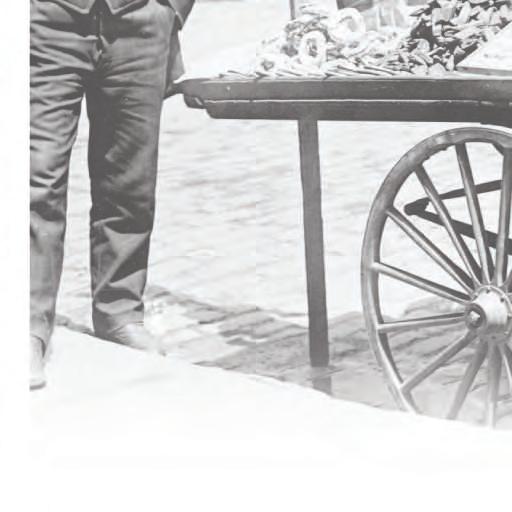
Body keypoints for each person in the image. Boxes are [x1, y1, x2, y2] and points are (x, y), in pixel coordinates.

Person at [30, 0, 195, 390]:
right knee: (35, 176)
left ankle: (119, 311)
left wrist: (171, 11)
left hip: (139, 23)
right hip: (47, 23)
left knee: (130, 180)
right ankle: (26, 326)